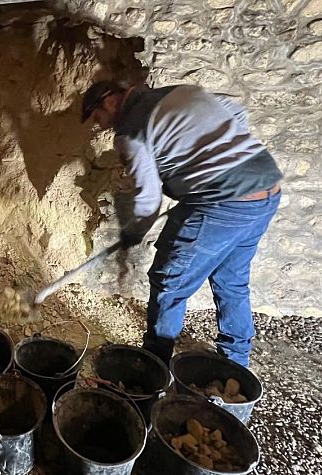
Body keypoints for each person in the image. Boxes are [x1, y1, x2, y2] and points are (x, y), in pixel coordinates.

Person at [81, 80, 283, 368]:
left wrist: (134, 232)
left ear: (109, 102)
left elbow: (149, 199)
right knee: (232, 280)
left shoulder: (131, 133)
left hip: (221, 204)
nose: (102, 126)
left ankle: (154, 366)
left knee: (170, 281)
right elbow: (235, 111)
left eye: (98, 118)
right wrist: (225, 154)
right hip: (266, 190)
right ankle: (236, 361)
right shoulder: (182, 92)